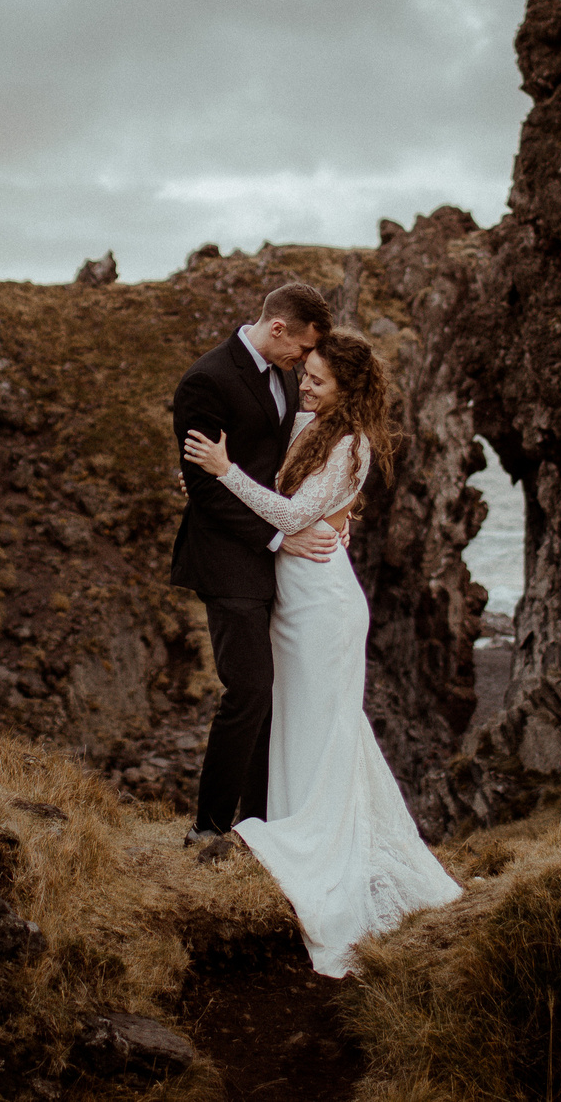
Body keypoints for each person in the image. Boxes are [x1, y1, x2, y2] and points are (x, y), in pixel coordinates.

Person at [182, 330, 463, 977]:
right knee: (301, 720)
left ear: (347, 390)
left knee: (324, 723)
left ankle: (322, 843)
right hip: (296, 601)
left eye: (316, 380)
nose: (302, 385)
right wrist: (206, 477)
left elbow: (289, 514)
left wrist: (225, 473)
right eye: (304, 373)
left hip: (323, 608)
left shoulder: (351, 443)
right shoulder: (310, 425)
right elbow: (278, 487)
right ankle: (298, 823)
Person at [170, 282, 341, 844]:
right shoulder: (207, 379)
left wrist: (333, 511)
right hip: (226, 559)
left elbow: (277, 460)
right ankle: (209, 828)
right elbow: (204, 487)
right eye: (302, 349)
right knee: (248, 692)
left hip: (274, 563)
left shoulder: (286, 374)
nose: (305, 362)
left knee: (270, 698)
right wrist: (277, 537)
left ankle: (258, 825)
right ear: (278, 329)